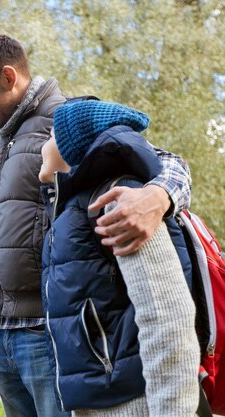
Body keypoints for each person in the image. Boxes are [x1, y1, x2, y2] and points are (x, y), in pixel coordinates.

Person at [0, 33, 193, 417]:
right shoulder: (1, 145)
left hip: (52, 333)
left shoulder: (66, 120)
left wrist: (159, 196)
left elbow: (163, 161)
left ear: (7, 77)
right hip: (5, 335)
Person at [38, 99, 200, 415]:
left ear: (72, 142)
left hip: (132, 402)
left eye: (50, 135)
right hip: (103, 398)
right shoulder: (80, 206)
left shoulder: (118, 200)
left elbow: (168, 314)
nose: (43, 145)